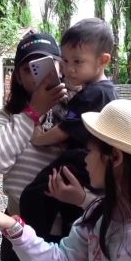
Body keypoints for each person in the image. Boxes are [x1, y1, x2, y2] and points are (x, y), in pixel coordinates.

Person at [0, 99, 131, 261]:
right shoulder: (98, 216)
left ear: (114, 157)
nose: (85, 159)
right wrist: (13, 227)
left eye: (89, 151)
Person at [0, 32, 95, 261]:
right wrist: (33, 113)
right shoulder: (9, 117)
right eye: (28, 68)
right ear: (19, 78)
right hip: (18, 226)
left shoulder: (78, 110)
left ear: (60, 67)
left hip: (71, 233)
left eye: (47, 63)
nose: (37, 73)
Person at [19, 18, 118, 242]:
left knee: (34, 194)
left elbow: (65, 130)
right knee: (70, 212)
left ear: (103, 61)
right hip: (92, 164)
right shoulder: (104, 91)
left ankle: (33, 239)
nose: (69, 69)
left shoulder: (93, 94)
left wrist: (38, 139)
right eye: (64, 60)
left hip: (80, 159)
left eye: (77, 62)